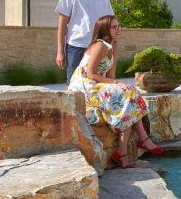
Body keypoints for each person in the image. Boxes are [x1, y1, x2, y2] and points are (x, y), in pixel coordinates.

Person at [68, 15, 163, 168]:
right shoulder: (100, 45)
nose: (119, 29)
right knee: (127, 93)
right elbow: (91, 73)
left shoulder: (114, 45)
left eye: (119, 26)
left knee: (129, 92)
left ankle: (124, 151)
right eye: (114, 27)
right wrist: (116, 84)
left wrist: (119, 85)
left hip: (96, 83)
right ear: (105, 29)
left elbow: (111, 74)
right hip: (83, 85)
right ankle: (140, 141)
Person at [56, 0, 114, 83]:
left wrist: (111, 45)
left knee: (98, 84)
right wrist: (60, 52)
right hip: (77, 47)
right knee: (74, 84)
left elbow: (109, 22)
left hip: (99, 47)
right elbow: (62, 26)